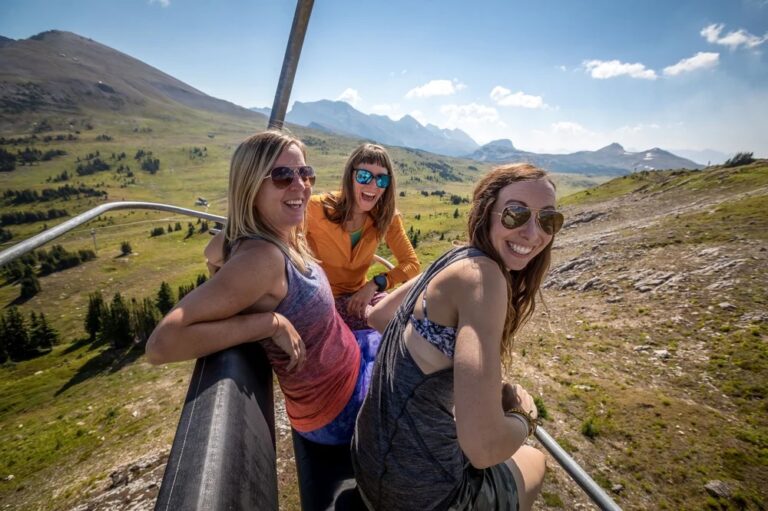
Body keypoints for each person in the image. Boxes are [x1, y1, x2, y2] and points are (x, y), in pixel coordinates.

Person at [351, 163, 564, 510]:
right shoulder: (484, 278)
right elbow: (483, 448)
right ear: (486, 212)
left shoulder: (455, 257)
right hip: (416, 498)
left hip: (367, 463)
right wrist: (524, 417)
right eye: (516, 214)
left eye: (548, 220)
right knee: (536, 461)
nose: (531, 233)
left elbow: (380, 315)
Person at [146, 130, 379, 446]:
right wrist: (269, 323)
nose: (300, 185)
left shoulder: (279, 233)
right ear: (250, 186)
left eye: (305, 173)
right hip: (338, 407)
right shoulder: (262, 259)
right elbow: (161, 345)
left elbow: (211, 253)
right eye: (282, 176)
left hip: (350, 364)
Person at [205, 143, 420, 331]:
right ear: (350, 177)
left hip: (363, 293)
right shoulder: (316, 208)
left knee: (409, 317)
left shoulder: (387, 218)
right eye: (364, 176)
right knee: (388, 325)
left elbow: (411, 264)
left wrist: (375, 284)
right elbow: (270, 231)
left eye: (381, 179)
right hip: (324, 299)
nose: (373, 186)